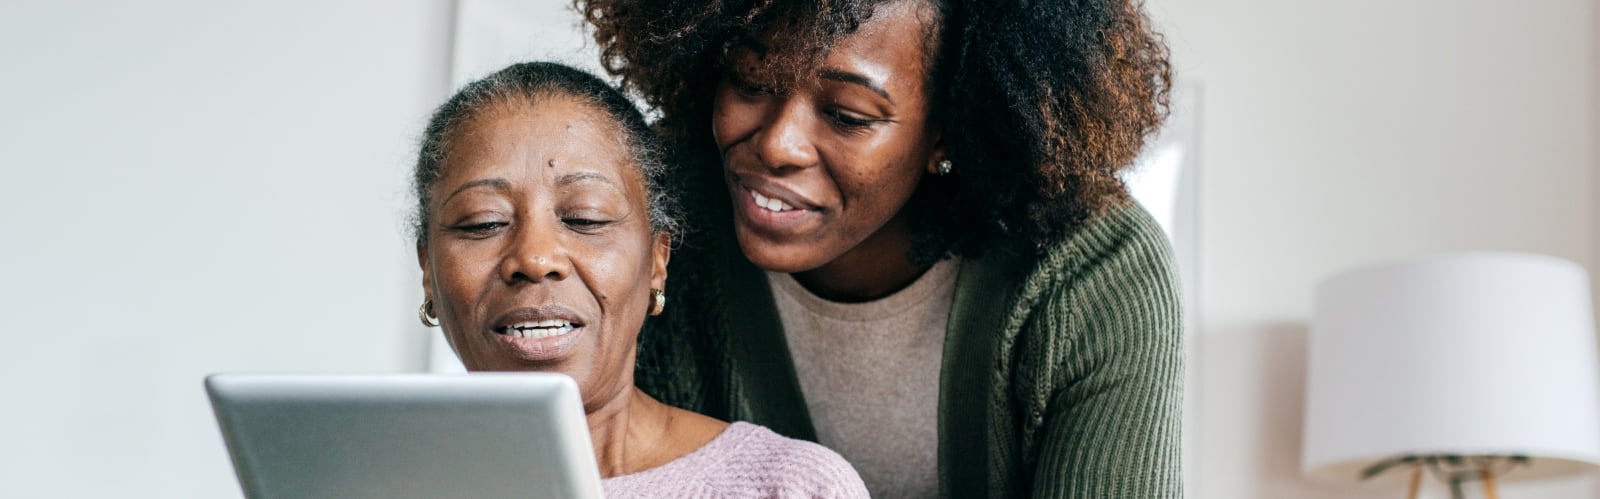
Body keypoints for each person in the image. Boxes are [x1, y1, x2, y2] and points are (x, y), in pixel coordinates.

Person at [580, 0, 1183, 497]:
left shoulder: (1093, 271)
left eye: (847, 116)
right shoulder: (658, 221)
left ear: (946, 127)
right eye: (751, 82)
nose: (778, 144)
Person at [411, 61, 870, 498]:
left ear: (657, 261)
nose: (535, 258)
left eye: (584, 218)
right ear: (429, 270)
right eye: (482, 223)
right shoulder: (363, 478)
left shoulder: (793, 488)